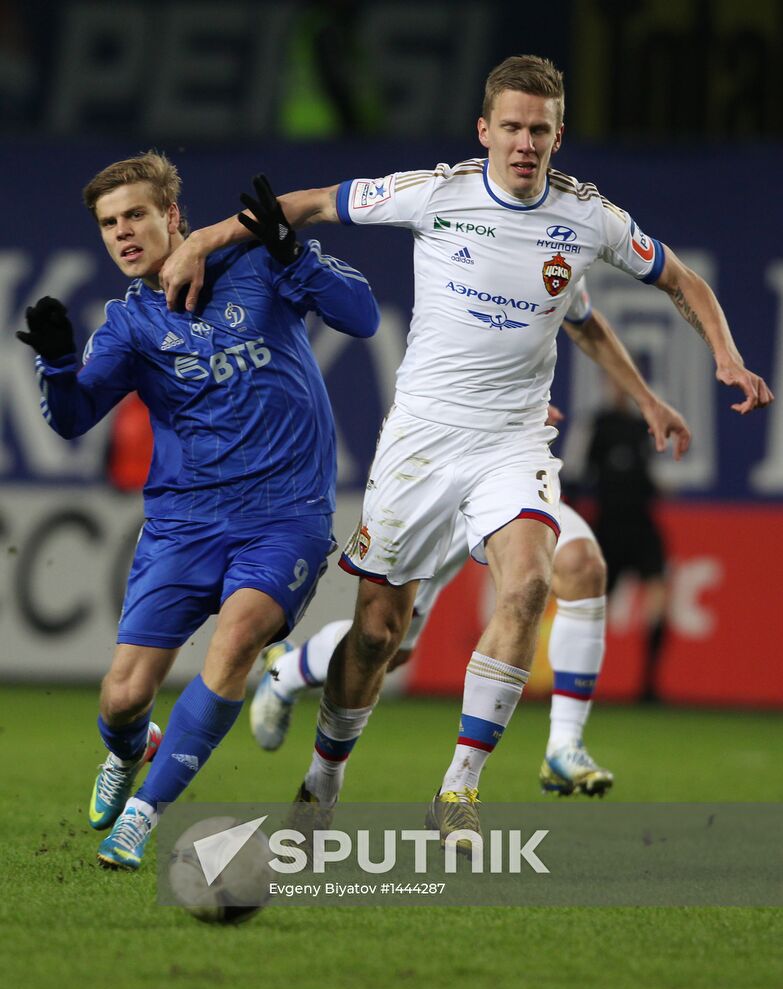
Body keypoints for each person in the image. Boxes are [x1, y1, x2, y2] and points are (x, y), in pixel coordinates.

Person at [160, 54, 772, 851]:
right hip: (419, 441)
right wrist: (203, 241)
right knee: (381, 636)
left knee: (528, 584)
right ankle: (323, 781)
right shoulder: (436, 193)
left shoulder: (590, 220)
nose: (525, 144)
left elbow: (681, 281)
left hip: (512, 440)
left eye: (540, 131)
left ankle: (458, 788)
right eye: (511, 128)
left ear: (559, 136)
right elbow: (307, 204)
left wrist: (721, 355)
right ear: (484, 130)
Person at [16, 152, 380, 871]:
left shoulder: (258, 263)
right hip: (184, 524)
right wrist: (58, 366)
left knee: (238, 638)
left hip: (285, 516)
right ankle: (131, 749)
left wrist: (291, 251)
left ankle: (146, 813)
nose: (123, 233)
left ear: (172, 217)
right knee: (121, 697)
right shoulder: (129, 323)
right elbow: (72, 418)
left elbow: (362, 316)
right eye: (108, 224)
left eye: (135, 216)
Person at [249, 292, 692, 800]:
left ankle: (562, 746)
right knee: (387, 644)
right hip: (435, 469)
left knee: (581, 564)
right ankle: (289, 671)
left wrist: (646, 400)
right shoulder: (457, 245)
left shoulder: (560, 243)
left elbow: (586, 320)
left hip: (507, 469)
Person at [585, 384, 670, 702]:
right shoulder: (597, 425)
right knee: (590, 606)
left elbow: (648, 472)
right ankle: (578, 681)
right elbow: (581, 474)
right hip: (609, 527)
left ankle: (649, 683)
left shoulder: (642, 427)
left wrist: (656, 486)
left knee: (659, 594)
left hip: (642, 525)